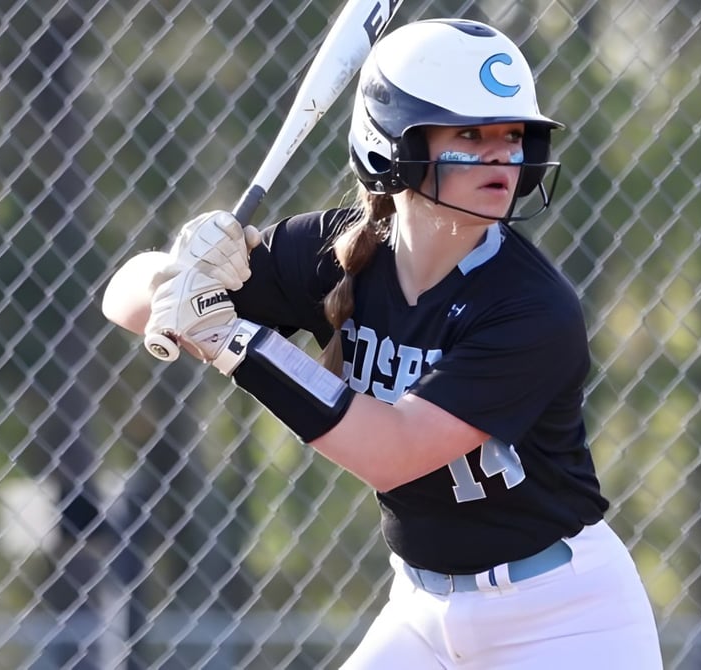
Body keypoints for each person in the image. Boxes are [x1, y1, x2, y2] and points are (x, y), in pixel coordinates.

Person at [102, 18, 664, 669]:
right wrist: (181, 271)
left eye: (512, 135)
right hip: (421, 610)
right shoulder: (337, 252)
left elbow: (393, 452)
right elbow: (124, 299)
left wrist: (234, 343)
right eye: (470, 134)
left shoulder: (531, 306)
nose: (500, 156)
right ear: (393, 147)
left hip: (562, 619)